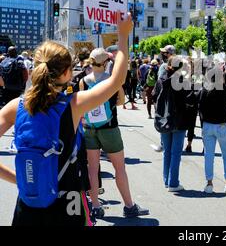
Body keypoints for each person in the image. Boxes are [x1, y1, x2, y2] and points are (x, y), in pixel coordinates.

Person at [0, 14, 133, 226]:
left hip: (28, 205)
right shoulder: (74, 105)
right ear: (65, 73)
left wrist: (23, 180)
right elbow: (117, 80)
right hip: (68, 206)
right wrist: (123, 36)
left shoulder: (16, 106)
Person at [79, 48, 149, 221]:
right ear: (105, 63)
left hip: (90, 128)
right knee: (119, 168)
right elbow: (121, 101)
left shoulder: (83, 81)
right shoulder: (111, 81)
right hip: (109, 128)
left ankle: (95, 206)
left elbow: (81, 103)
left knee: (93, 169)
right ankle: (129, 206)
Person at [152, 56, 194, 192]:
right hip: (179, 120)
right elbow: (191, 100)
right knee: (176, 153)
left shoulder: (161, 80)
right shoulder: (183, 81)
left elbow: (154, 97)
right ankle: (173, 183)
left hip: (164, 119)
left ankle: (167, 180)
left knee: (167, 152)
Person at [198, 67, 226, 194]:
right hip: (221, 125)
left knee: (208, 156)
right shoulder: (222, 90)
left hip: (207, 125)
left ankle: (209, 184)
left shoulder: (203, 90)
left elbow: (199, 107)